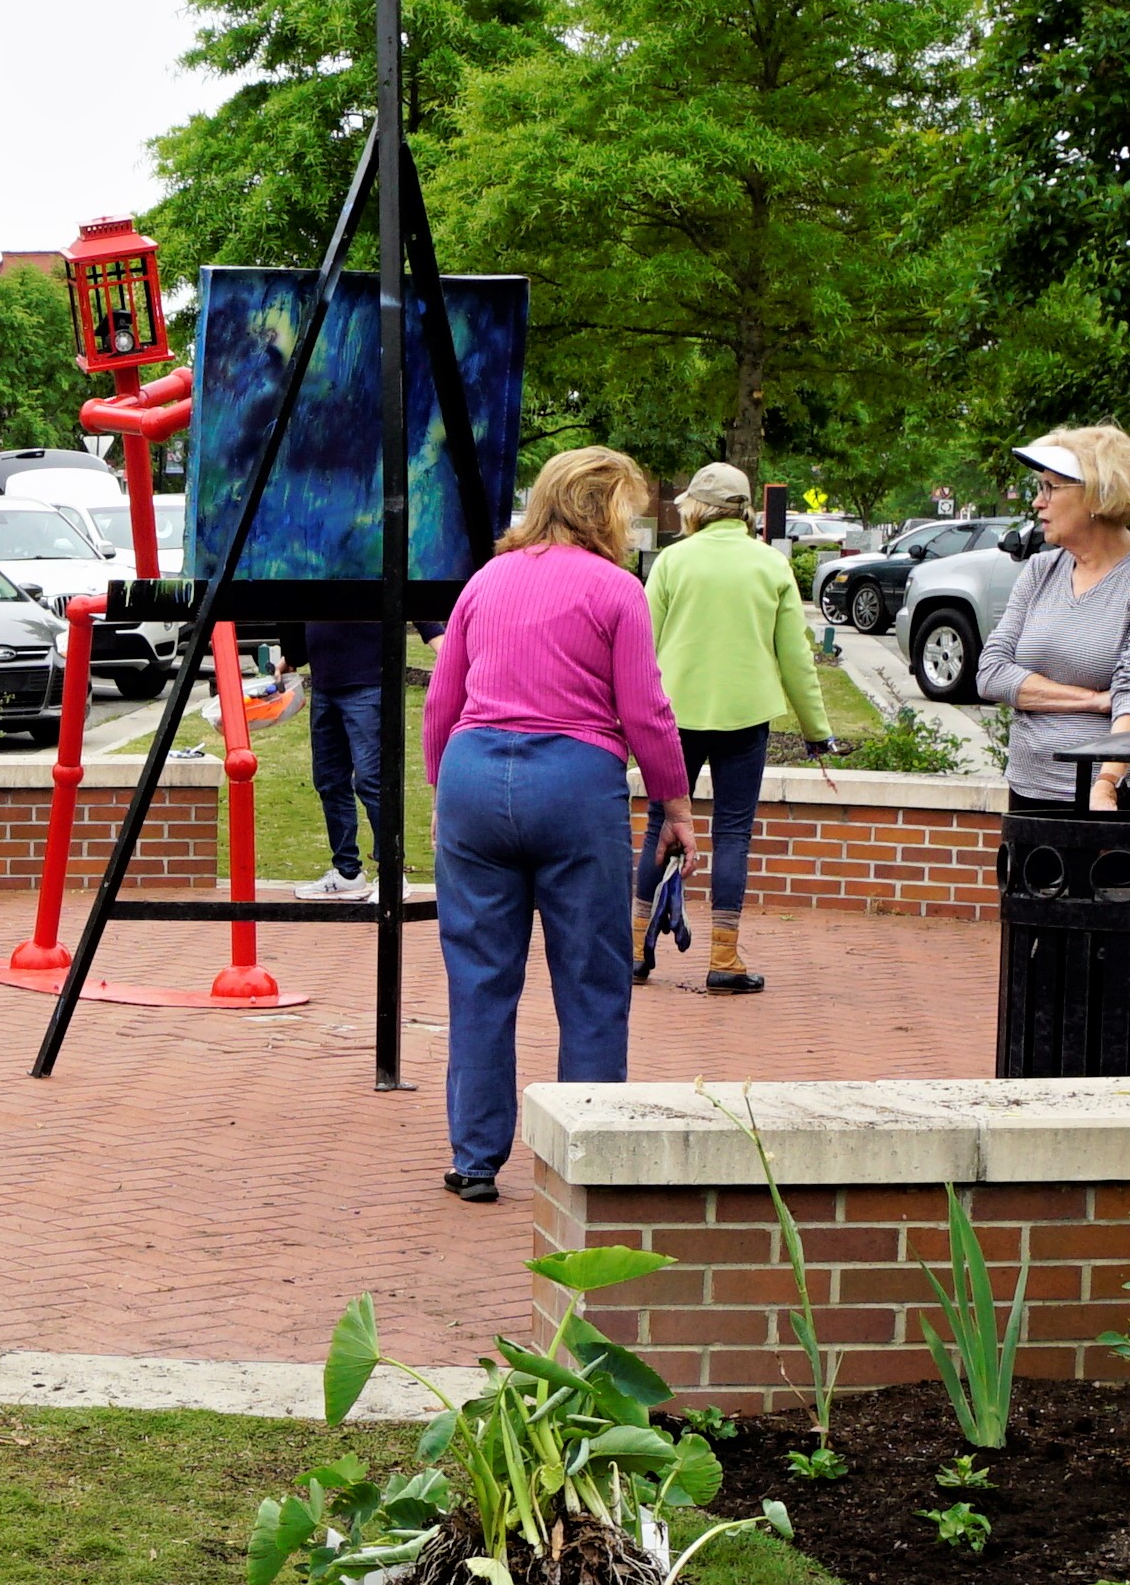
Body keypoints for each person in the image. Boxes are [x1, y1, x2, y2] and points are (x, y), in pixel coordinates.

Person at [413, 446, 687, 1206]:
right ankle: (588, 1147)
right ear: (602, 510)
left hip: (472, 774)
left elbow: (441, 701)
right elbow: (645, 711)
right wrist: (674, 804)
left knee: (478, 978)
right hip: (572, 784)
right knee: (592, 978)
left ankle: (473, 1157)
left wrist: (444, 790)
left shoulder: (484, 580)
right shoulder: (614, 589)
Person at [641, 461, 836, 992]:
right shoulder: (770, 565)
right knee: (733, 835)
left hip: (674, 715)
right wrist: (817, 731)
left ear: (697, 509)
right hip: (746, 718)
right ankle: (724, 959)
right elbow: (796, 657)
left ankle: (635, 949)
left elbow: (642, 647)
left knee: (661, 825)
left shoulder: (672, 562)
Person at [976, 426, 1130, 814]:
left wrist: (1106, 783)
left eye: (1050, 488)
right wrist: (1095, 700)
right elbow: (991, 674)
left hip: (1128, 794)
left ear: (1096, 494)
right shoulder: (1040, 570)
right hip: (1033, 784)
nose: (1038, 504)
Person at [291, 621, 406, 902]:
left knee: (372, 781)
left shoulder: (368, 574)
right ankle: (347, 873)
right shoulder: (315, 574)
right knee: (329, 781)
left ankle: (392, 875)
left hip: (368, 685)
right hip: (324, 686)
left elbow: (408, 598)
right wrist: (291, 659)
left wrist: (440, 642)